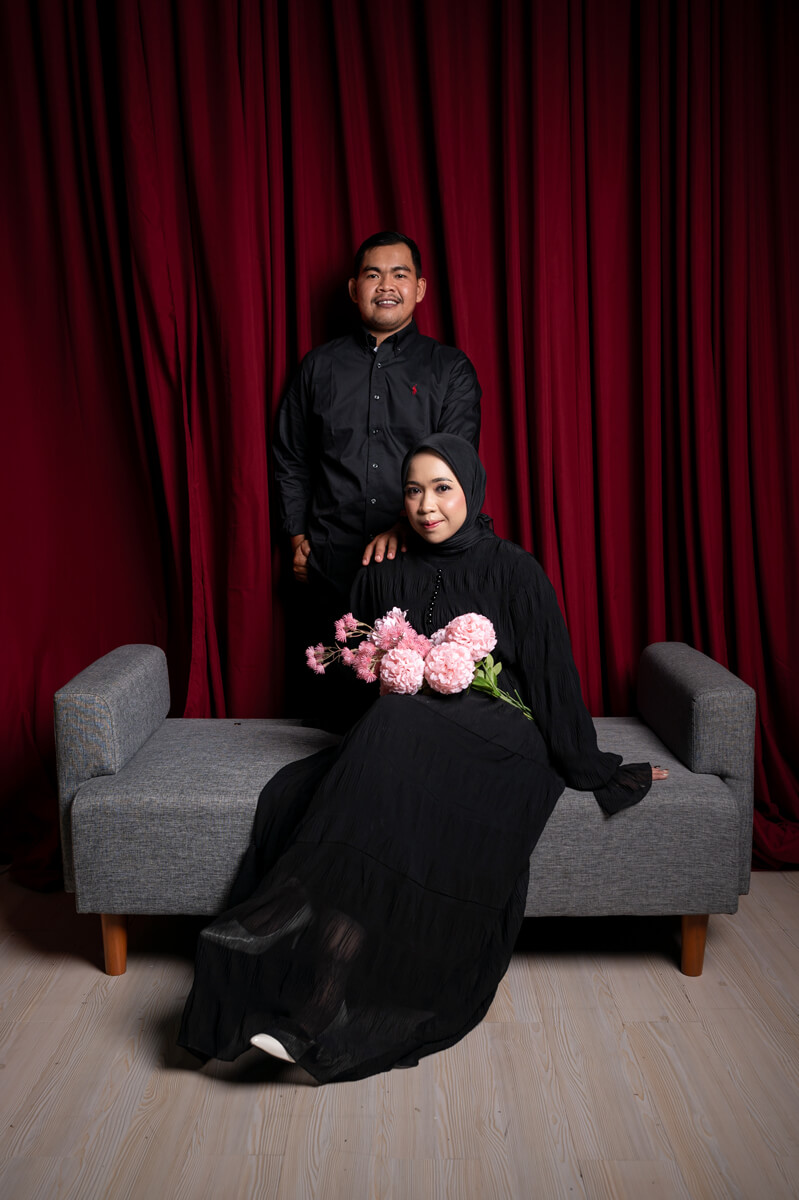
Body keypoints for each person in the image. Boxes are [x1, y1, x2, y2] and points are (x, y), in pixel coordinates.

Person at [179, 434, 667, 1083]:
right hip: (410, 731)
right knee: (366, 743)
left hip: (501, 734)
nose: (426, 505)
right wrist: (377, 666)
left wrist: (597, 769)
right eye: (413, 491)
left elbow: (552, 679)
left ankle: (292, 899)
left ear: (470, 488)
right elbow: (354, 679)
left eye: (442, 488)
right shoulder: (382, 572)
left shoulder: (514, 570)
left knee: (393, 723)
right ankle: (315, 1010)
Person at [272, 231, 482, 607]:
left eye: (399, 274)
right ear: (355, 289)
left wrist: (405, 525)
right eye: (373, 275)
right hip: (329, 567)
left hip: (420, 564)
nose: (386, 285)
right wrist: (297, 536)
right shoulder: (318, 367)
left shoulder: (450, 369)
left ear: (419, 288)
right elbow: (292, 456)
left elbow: (455, 468)